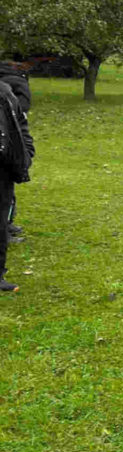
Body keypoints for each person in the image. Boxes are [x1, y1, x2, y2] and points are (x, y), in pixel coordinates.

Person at [0, 75, 33, 292]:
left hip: (2, 168)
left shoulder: (4, 93)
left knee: (0, 221)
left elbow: (19, 124)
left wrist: (26, 152)